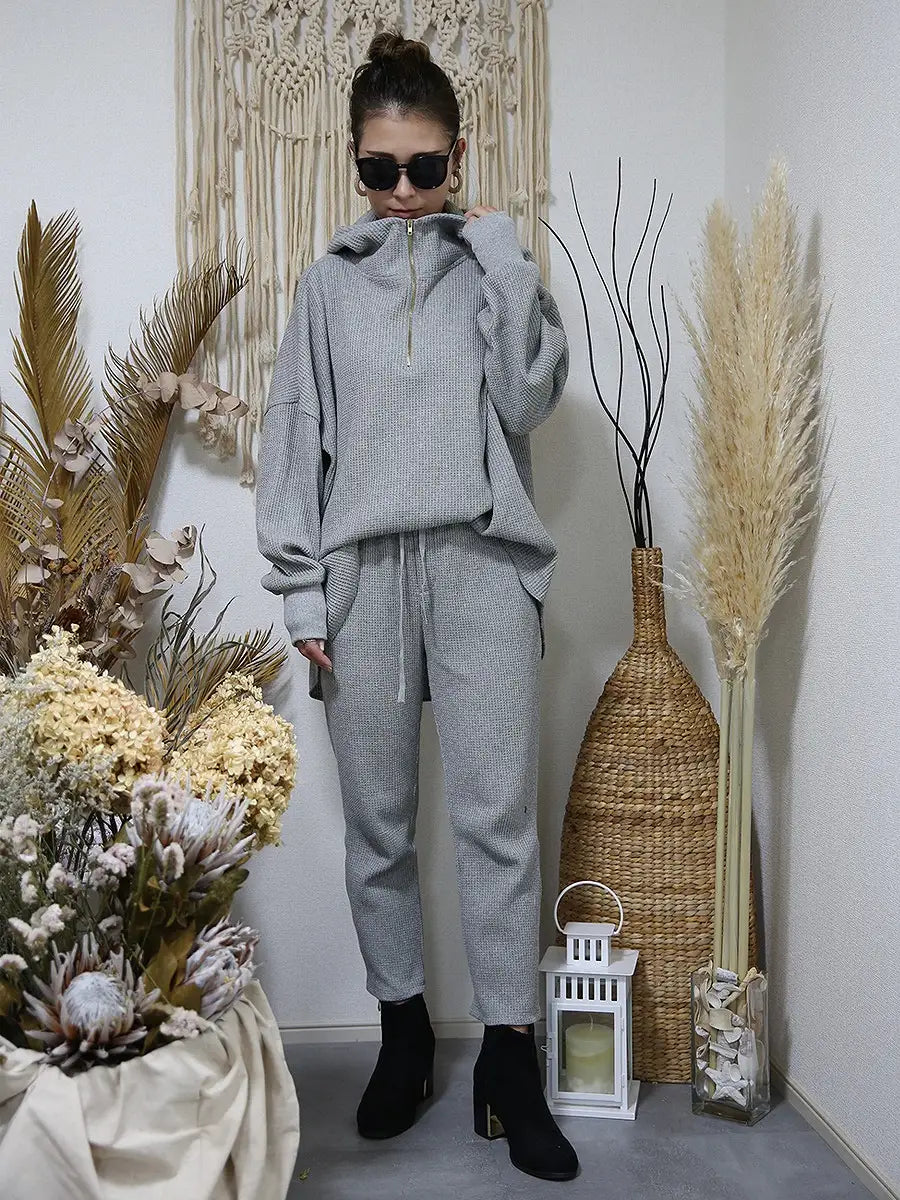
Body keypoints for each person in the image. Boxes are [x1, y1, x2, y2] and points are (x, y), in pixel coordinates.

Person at [255, 29, 577, 1183]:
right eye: (379, 169)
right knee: (381, 827)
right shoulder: (325, 286)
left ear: (457, 158)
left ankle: (508, 1060)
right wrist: (301, 587)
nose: (402, 192)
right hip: (363, 582)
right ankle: (402, 1033)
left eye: (424, 167)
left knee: (497, 824)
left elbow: (530, 400)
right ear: (354, 160)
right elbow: (294, 438)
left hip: (482, 566)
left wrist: (506, 260)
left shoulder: (493, 270)